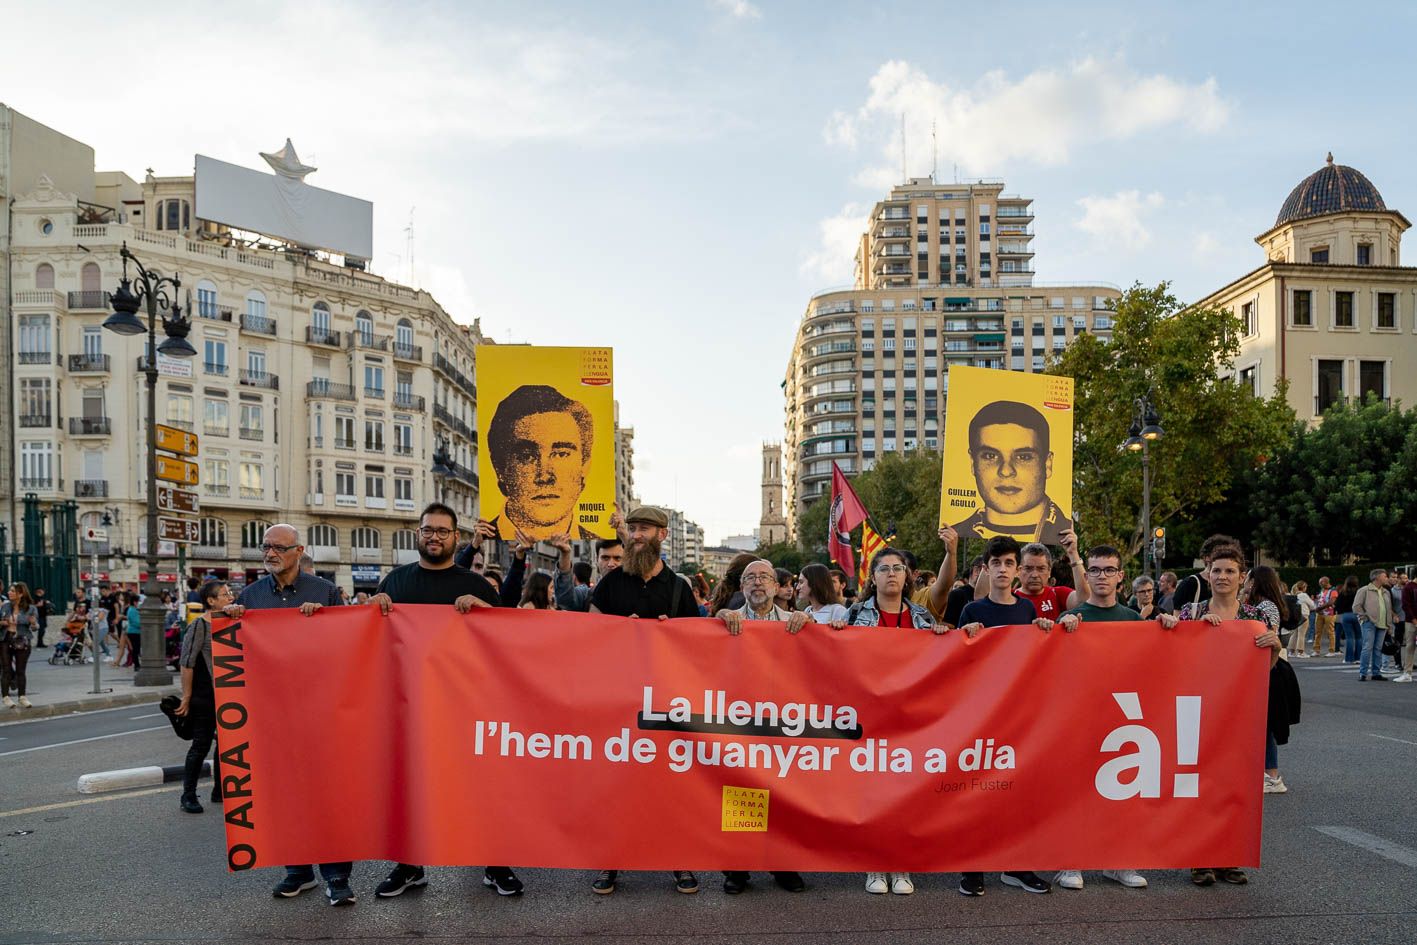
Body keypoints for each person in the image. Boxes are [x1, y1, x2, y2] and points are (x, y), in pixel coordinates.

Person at [366, 503, 515, 901]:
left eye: (443, 532)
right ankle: (409, 866)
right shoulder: (394, 582)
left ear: (457, 538)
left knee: (480, 787)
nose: (434, 537)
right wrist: (370, 612)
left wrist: (486, 611)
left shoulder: (478, 585)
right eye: (428, 530)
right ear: (417, 534)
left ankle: (495, 863)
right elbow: (369, 641)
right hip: (410, 707)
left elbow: (509, 642)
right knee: (411, 788)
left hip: (467, 707)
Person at [221, 523, 352, 905]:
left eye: (278, 547)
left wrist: (324, 620)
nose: (270, 554)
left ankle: (337, 877)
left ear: (299, 551)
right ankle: (298, 872)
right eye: (265, 548)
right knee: (284, 795)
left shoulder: (324, 592)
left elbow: (346, 646)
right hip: (272, 718)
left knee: (327, 796)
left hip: (319, 714)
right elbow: (240, 654)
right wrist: (233, 620)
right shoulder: (250, 595)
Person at [587, 505, 700, 896]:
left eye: (645, 530)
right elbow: (587, 637)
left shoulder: (679, 589)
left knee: (671, 789)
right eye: (632, 528)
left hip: (667, 705)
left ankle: (678, 859)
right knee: (617, 789)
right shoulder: (610, 584)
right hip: (618, 702)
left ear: (662, 537)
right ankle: (611, 861)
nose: (636, 535)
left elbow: (699, 648)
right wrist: (616, 633)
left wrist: (676, 636)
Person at [1053, 545, 1178, 891]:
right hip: (1081, 717)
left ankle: (1118, 860)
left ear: (1121, 576)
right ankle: (1070, 862)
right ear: (1086, 574)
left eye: (1109, 570)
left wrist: (1167, 628)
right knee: (1077, 793)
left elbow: (1153, 662)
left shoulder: (1133, 620)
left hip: (1122, 718)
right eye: (1095, 570)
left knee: (1121, 792)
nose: (1102, 576)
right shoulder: (1074, 618)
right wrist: (1061, 631)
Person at [954, 536, 1061, 897]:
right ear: (986, 568)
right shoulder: (972, 611)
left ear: (1017, 569)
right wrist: (963, 637)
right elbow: (954, 663)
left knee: (1015, 792)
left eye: (1008, 563)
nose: (1002, 569)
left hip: (1016, 714)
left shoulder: (1027, 612)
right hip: (979, 715)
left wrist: (1044, 631)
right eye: (995, 563)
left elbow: (1034, 658)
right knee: (977, 791)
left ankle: (1016, 866)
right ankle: (972, 866)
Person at [837, 547, 941, 896]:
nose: (893, 574)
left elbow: (943, 655)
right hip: (871, 717)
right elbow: (835, 657)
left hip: (910, 717)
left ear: (908, 577)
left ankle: (901, 865)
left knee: (905, 794)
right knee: (872, 794)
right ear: (874, 577)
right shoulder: (855, 614)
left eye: (899, 568)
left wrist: (952, 636)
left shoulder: (923, 618)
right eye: (885, 569)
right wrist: (834, 631)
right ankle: (875, 866)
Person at [1178, 539, 1280, 887]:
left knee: (1235, 786)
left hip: (1239, 713)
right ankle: (1199, 858)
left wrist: (1275, 647)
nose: (1222, 576)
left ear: (1242, 577)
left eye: (1230, 571)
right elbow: (1173, 658)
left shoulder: (1256, 617)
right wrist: (1192, 633)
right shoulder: (1190, 613)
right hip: (1197, 710)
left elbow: (1264, 670)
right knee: (1199, 785)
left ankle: (1228, 857)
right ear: (1207, 574)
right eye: (1217, 570)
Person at [715, 559, 810, 895]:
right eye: (750, 578)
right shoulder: (728, 621)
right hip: (742, 723)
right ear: (741, 587)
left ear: (776, 585)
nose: (757, 583)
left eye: (764, 577)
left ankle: (783, 865)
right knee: (740, 795)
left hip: (785, 723)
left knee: (784, 795)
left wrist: (809, 623)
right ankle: (737, 868)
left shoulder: (797, 622)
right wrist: (717, 622)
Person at [485, 384, 598, 540]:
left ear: (585, 466)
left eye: (561, 454)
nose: (545, 477)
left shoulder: (605, 543)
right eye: (527, 456)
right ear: (500, 469)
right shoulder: (479, 542)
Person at [955, 401, 1068, 544]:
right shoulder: (956, 533)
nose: (1006, 471)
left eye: (1024, 457)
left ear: (1047, 464)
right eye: (990, 456)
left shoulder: (1068, 536)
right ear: (973, 462)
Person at [174, 580, 233, 815]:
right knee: (201, 745)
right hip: (204, 696)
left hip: (228, 695)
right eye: (225, 594)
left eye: (230, 593)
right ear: (211, 601)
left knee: (226, 746)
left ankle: (220, 791)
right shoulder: (200, 625)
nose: (230, 597)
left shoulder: (233, 622)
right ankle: (188, 795)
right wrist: (186, 697)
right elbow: (186, 662)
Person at [1242, 566, 1289, 793]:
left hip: (1268, 667)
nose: (1244, 582)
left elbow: (1264, 635)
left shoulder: (1264, 606)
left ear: (1255, 581)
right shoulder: (1266, 604)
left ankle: (1272, 775)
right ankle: (1267, 773)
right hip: (1263, 666)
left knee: (1265, 723)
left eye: (1247, 578)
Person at [551, 535, 623, 612]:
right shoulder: (587, 595)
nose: (611, 564)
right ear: (596, 560)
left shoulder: (636, 592)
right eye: (605, 558)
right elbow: (565, 600)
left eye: (617, 558)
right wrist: (565, 554)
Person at [1, 582, 39, 708]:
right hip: (6, 639)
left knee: (20, 671)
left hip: (22, 641)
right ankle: (5, 697)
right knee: (6, 669)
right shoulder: (6, 606)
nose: (9, 592)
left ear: (21, 593)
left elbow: (35, 627)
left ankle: (22, 697)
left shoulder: (31, 608)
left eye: (12, 591)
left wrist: (33, 623)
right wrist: (4, 622)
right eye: (9, 590)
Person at [1353, 569, 1393, 682]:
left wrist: (1389, 625)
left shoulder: (1385, 592)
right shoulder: (1364, 590)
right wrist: (1364, 617)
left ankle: (1376, 673)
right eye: (1385, 576)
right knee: (1367, 647)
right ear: (1377, 577)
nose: (1387, 578)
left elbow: (1388, 609)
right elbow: (1356, 606)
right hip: (1369, 623)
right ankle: (1363, 673)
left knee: (1378, 649)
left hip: (1383, 624)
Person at [1335, 575, 1361, 664]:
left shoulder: (1343, 592)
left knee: (1349, 637)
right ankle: (1358, 658)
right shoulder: (1359, 592)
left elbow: (1337, 605)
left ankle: (1349, 658)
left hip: (1345, 615)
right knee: (1359, 637)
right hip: (1357, 614)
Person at [1290, 581, 1315, 659]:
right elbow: (1313, 606)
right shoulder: (1303, 595)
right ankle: (1301, 652)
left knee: (1294, 634)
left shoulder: (1293, 595)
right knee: (1301, 634)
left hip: (1294, 616)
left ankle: (1291, 652)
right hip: (1303, 616)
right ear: (1304, 588)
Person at [124, 593, 143, 669]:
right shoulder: (132, 610)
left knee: (136, 649)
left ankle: (137, 664)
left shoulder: (133, 609)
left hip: (134, 632)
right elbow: (136, 622)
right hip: (134, 632)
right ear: (134, 602)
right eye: (137, 602)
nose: (138, 603)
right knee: (135, 649)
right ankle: (136, 665)